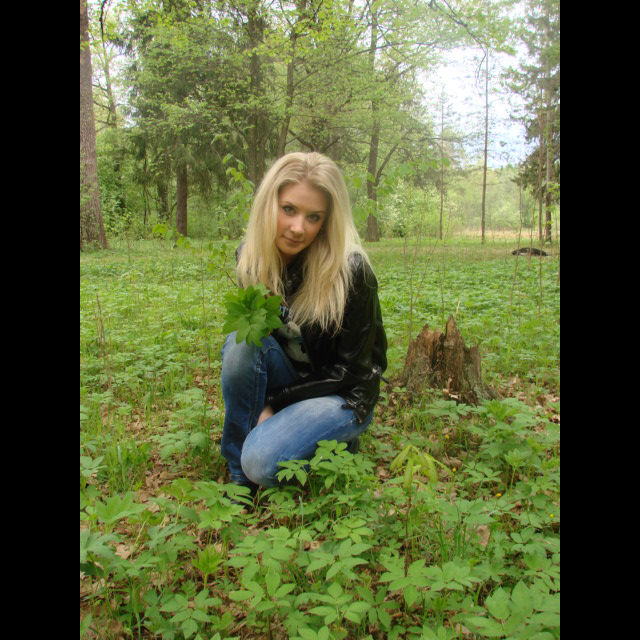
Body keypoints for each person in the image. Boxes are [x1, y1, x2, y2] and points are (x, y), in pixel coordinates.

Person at [220, 151, 387, 494]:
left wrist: (275, 402)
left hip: (342, 395)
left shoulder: (352, 272)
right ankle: (238, 479)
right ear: (269, 205)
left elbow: (352, 372)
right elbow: (259, 348)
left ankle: (339, 446)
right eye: (288, 209)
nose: (298, 228)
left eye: (314, 217)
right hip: (292, 378)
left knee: (261, 462)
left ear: (327, 221)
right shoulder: (250, 259)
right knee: (240, 341)